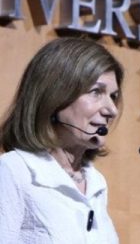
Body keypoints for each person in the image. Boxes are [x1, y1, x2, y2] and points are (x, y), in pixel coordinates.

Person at [0, 37, 124, 244]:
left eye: (113, 96)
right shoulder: (14, 171)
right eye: (96, 92)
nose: (112, 109)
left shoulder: (96, 182)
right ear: (55, 96)